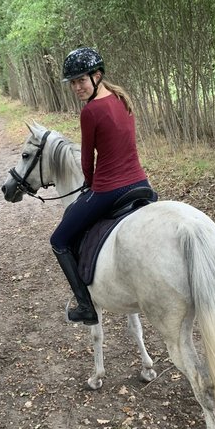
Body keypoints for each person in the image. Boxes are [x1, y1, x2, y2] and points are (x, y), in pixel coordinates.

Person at [50, 47, 153, 325]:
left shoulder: (91, 111)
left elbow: (86, 161)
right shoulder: (122, 98)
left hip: (110, 189)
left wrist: (92, 187)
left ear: (97, 76)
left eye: (81, 80)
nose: (76, 87)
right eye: (72, 82)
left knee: (58, 240)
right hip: (141, 184)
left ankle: (85, 306)